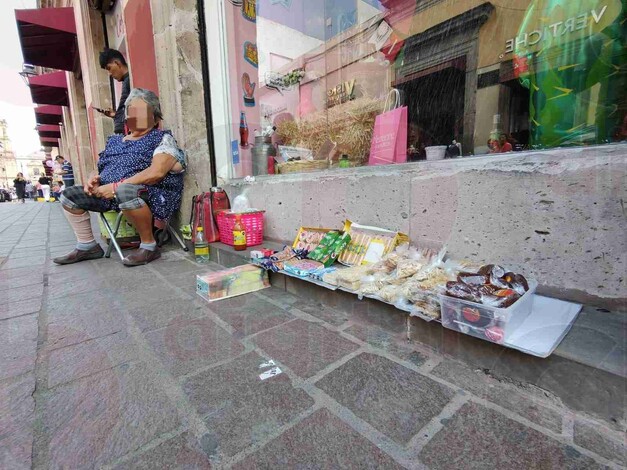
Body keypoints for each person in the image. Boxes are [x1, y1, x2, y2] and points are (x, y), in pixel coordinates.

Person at [54, 88, 186, 267]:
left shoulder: (162, 138)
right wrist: (94, 179)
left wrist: (115, 187)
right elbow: (101, 167)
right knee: (68, 195)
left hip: (146, 195)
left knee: (125, 190)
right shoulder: (114, 141)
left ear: (155, 118)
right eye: (132, 111)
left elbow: (156, 172)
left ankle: (149, 246)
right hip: (108, 193)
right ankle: (87, 246)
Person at [98, 48, 131, 134]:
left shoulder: (130, 80)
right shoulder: (127, 80)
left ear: (117, 63)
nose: (109, 74)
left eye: (109, 68)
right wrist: (116, 115)